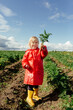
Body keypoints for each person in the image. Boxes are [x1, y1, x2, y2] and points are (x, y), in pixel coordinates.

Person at [22, 36, 48, 107]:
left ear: (38, 43)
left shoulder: (40, 51)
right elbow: (24, 60)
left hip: (38, 71)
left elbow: (44, 55)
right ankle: (29, 98)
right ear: (30, 43)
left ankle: (35, 95)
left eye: (36, 42)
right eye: (33, 42)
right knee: (30, 84)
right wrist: (25, 64)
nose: (34, 44)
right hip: (30, 72)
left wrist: (44, 49)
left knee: (36, 83)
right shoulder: (28, 52)